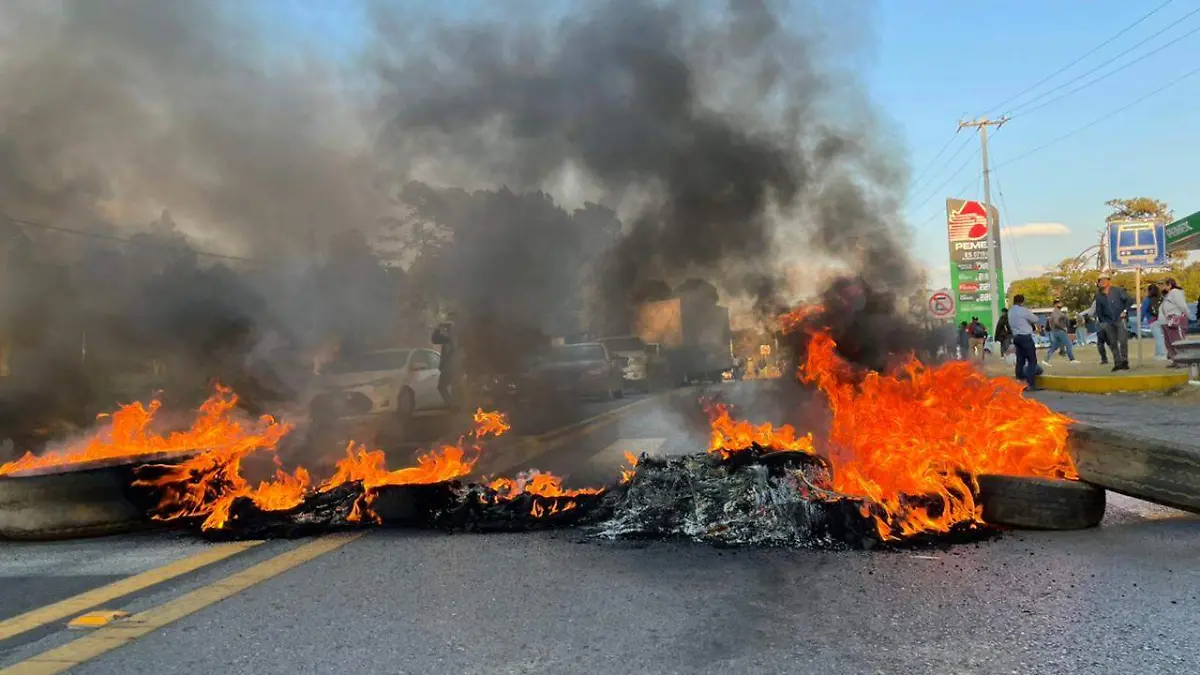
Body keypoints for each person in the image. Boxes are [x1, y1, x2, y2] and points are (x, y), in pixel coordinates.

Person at [1092, 273, 1134, 371]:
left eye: (1104, 280)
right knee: (1112, 343)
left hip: (1120, 319)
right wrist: (1103, 322)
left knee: (1123, 341)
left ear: (1109, 281)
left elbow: (1129, 300)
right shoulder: (1099, 296)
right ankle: (1117, 363)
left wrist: (1124, 311)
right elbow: (1099, 311)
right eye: (1100, 281)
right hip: (1108, 322)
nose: (1102, 282)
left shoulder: (1117, 291)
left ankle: (1124, 361)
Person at [1009, 294, 1043, 390]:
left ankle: (1020, 382)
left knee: (1020, 361)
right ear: (1022, 302)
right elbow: (1035, 319)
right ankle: (1030, 384)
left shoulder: (1010, 312)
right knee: (1032, 361)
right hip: (1025, 337)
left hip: (1016, 337)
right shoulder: (1023, 310)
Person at [1159, 277, 1189, 365]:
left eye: (1163, 285)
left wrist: (1187, 315)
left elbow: (1182, 305)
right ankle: (1175, 361)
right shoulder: (1166, 295)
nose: (1161, 287)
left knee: (1177, 341)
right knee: (1169, 343)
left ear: (1169, 285)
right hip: (1166, 321)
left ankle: (1183, 361)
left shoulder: (1175, 292)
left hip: (1174, 319)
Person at [1045, 298, 1078, 364]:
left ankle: (1046, 360)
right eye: (1059, 303)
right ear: (1055, 304)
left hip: (1055, 331)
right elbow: (1056, 322)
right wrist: (1063, 328)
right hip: (1059, 331)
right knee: (1069, 344)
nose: (1061, 304)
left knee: (1055, 346)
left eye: (1060, 303)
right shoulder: (1057, 312)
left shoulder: (1055, 312)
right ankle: (1072, 360)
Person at [1143, 282, 1167, 360]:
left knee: (1158, 338)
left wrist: (1140, 319)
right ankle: (1158, 353)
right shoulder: (1161, 298)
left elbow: (1143, 310)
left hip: (1152, 320)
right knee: (1161, 337)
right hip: (1162, 319)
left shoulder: (1147, 299)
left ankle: (1161, 354)